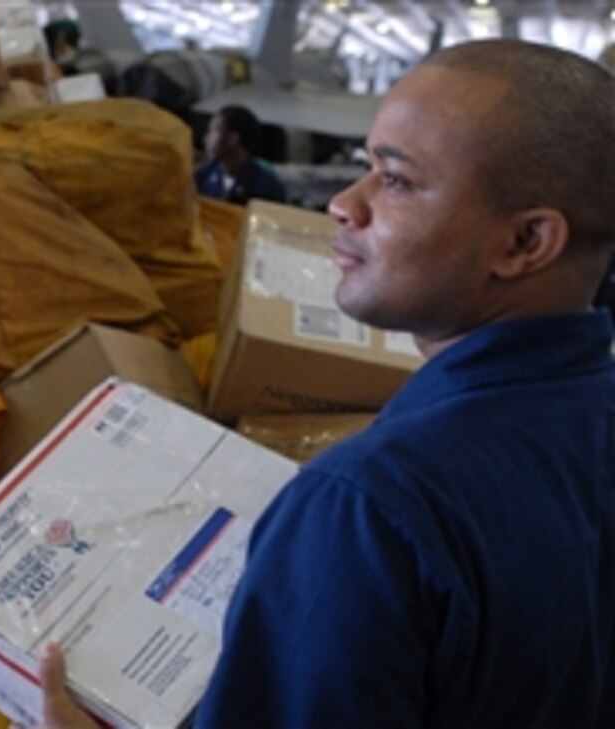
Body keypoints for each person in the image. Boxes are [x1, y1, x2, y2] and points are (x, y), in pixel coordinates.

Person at [37, 38, 615, 728]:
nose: (344, 202)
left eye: (396, 180)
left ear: (524, 243)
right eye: (366, 166)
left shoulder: (370, 507)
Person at [194, 105, 288, 205]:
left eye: (212, 131)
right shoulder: (202, 176)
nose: (205, 139)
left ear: (232, 139)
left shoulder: (267, 188)